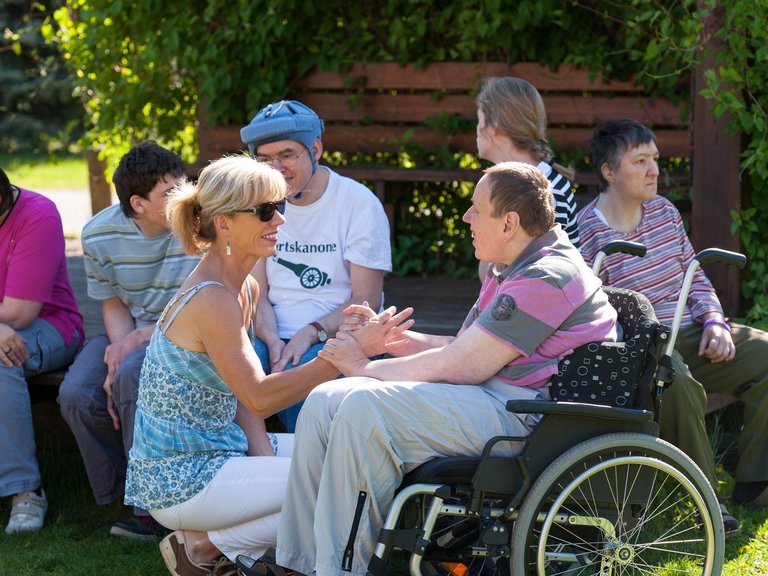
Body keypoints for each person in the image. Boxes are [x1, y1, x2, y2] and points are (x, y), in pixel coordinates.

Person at [246, 162, 618, 576]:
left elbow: (464, 364)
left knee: (362, 411)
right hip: (497, 398)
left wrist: (362, 366)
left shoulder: (547, 276)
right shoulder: (517, 266)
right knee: (323, 401)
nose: (466, 217)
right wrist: (391, 341)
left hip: (528, 417)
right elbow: (470, 349)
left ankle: (341, 568)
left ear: (509, 222)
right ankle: (297, 561)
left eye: (476, 209)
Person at [124, 155, 349, 576]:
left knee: (349, 458)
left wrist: (263, 459)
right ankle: (210, 548)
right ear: (224, 223)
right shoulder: (213, 299)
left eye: (279, 206)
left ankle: (211, 546)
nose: (279, 220)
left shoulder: (240, 286)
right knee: (336, 486)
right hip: (181, 478)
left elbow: (243, 399)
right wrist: (337, 358)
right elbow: (259, 397)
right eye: (265, 210)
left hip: (218, 451)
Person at [577, 118, 768, 535]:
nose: (654, 171)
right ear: (609, 172)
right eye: (640, 161)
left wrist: (715, 320)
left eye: (656, 160)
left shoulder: (663, 212)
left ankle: (756, 482)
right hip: (643, 347)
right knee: (673, 378)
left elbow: (694, 276)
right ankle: (705, 498)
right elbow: (591, 311)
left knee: (766, 353)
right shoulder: (587, 231)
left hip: (689, 330)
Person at [58, 142, 200, 539]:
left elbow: (209, 300)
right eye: (170, 193)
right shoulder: (99, 234)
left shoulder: (201, 223)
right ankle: (119, 492)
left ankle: (151, 511)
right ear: (138, 203)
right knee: (77, 394)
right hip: (130, 328)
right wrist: (119, 351)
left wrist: (131, 350)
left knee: (131, 376)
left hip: (189, 330)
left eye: (184, 184)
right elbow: (114, 304)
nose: (185, 197)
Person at [240, 100, 392, 432]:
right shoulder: (256, 205)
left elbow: (366, 302)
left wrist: (311, 333)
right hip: (270, 333)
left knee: (304, 394)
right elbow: (257, 294)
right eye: (265, 160)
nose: (276, 167)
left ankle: (309, 480)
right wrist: (270, 338)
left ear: (316, 148)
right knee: (230, 383)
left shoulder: (357, 203)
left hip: (337, 334)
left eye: (288, 155)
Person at [0, 168, 83, 534]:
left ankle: (25, 491)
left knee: (1, 360)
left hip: (51, 327)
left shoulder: (37, 214)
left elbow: (19, 313)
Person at [475, 76, 579, 281]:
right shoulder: (510, 184)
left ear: (494, 126)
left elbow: (540, 281)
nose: (476, 130)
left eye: (479, 120)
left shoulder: (542, 190)